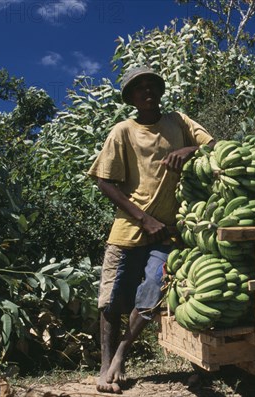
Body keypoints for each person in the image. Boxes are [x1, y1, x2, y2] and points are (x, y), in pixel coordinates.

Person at [87, 66, 215, 394]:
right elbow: (104, 180)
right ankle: (105, 365)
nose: (147, 92)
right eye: (139, 88)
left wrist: (190, 150)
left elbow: (213, 146)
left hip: (168, 232)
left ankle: (120, 355)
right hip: (129, 229)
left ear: (159, 91)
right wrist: (144, 219)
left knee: (154, 291)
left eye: (151, 86)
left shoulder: (179, 122)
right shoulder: (123, 132)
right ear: (130, 98)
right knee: (112, 301)